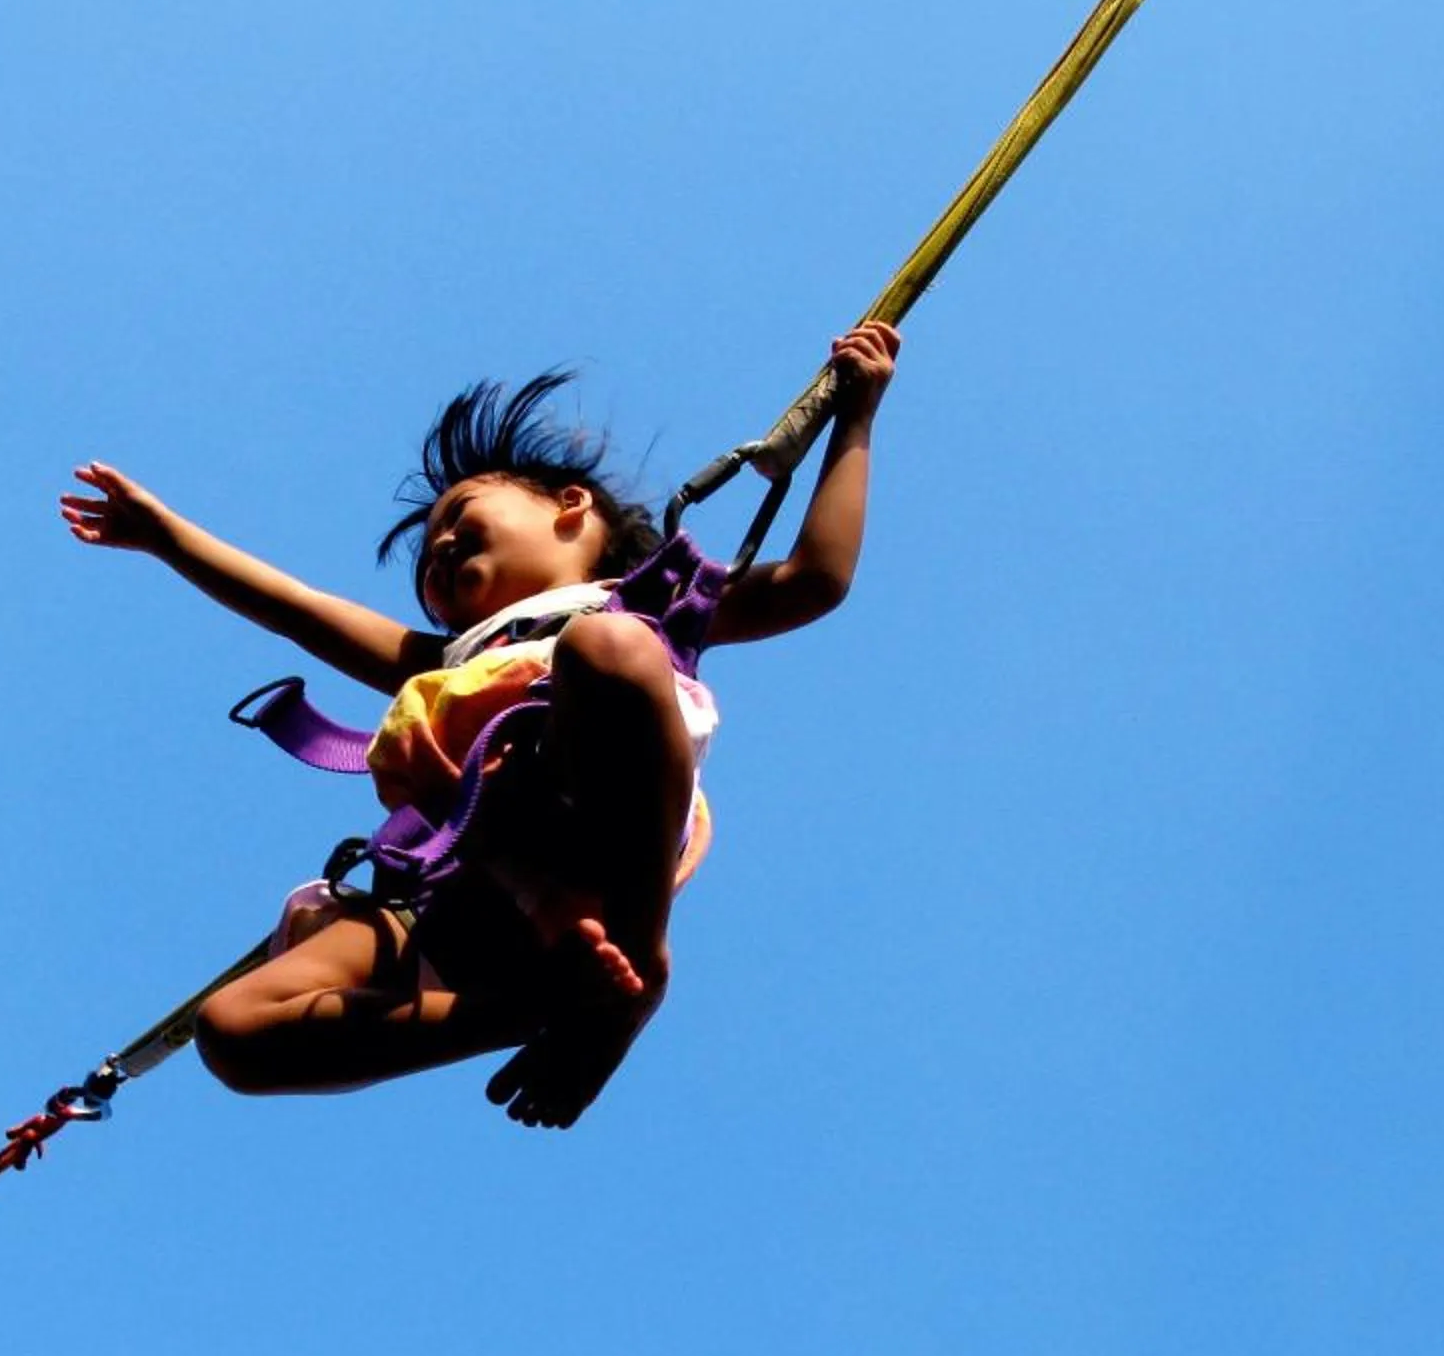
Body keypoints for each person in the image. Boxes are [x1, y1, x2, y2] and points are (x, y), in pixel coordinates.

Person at [60, 322, 900, 1129]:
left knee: (607, 647)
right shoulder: (448, 659)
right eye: (429, 563)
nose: (440, 549)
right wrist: (166, 539)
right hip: (469, 899)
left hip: (601, 834)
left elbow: (814, 580)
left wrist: (853, 418)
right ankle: (547, 1011)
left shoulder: (645, 606)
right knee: (232, 1030)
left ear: (572, 508)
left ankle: (635, 963)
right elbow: (298, 609)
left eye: (460, 515)